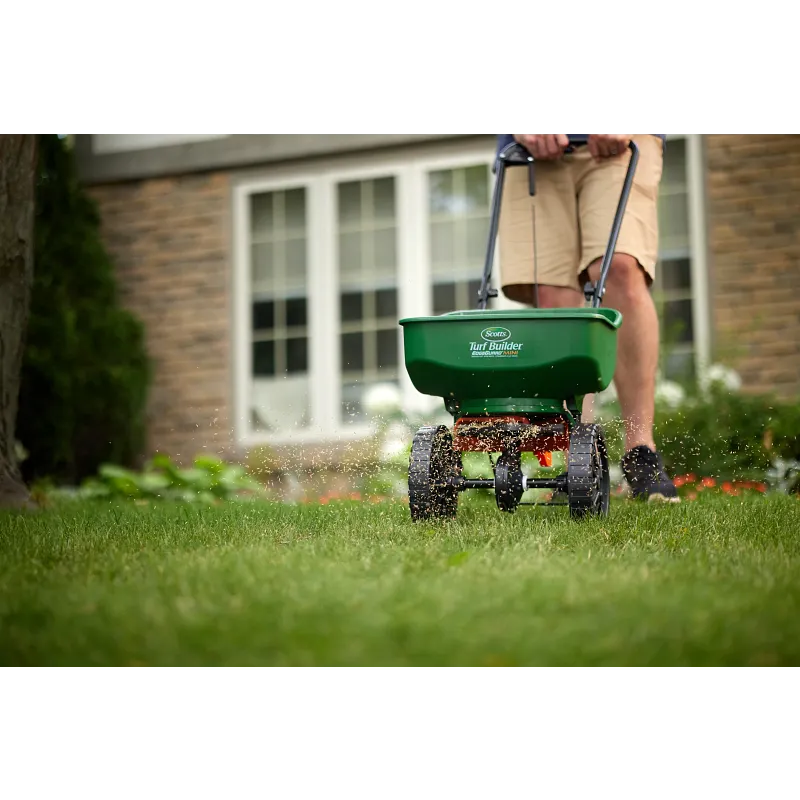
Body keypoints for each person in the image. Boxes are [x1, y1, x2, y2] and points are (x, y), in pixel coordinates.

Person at [496, 128, 679, 503]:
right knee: (552, 291)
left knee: (620, 267)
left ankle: (640, 452)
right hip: (529, 150)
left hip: (620, 141)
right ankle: (579, 458)